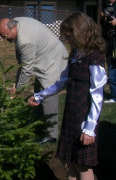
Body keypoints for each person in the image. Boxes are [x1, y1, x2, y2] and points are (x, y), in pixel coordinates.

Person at [28, 12, 107, 180]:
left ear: (79, 33)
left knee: (82, 165)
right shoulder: (75, 56)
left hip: (84, 119)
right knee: (67, 161)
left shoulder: (94, 59)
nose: (65, 39)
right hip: (70, 115)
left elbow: (97, 96)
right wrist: (40, 96)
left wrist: (90, 129)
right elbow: (61, 83)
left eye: (68, 35)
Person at [0, 17, 68, 144]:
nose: (4, 39)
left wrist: (18, 90)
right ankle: (39, 125)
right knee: (38, 92)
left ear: (12, 28)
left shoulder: (25, 41)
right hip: (43, 59)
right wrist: (16, 83)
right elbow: (22, 62)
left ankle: (51, 135)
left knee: (48, 95)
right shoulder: (17, 22)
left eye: (5, 35)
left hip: (52, 62)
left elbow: (27, 69)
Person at [100, 0, 116, 103]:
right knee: (112, 74)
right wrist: (103, 18)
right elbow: (104, 25)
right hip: (111, 44)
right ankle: (114, 96)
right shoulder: (107, 6)